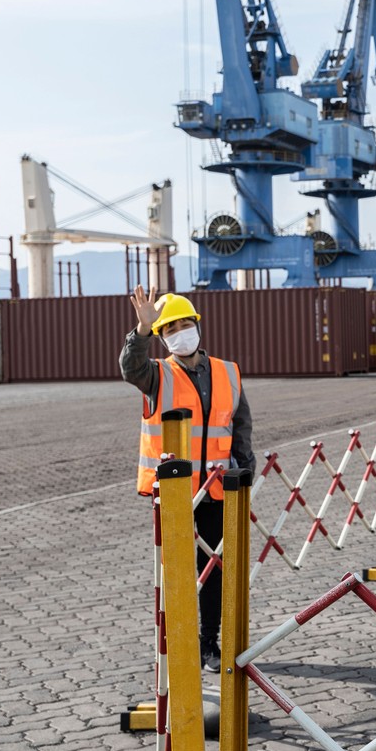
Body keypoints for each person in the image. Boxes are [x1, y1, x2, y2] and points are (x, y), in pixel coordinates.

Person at [123, 286, 253, 673]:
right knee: (179, 572)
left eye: (185, 324)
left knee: (213, 572)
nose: (181, 332)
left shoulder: (227, 372)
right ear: (163, 338)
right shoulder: (155, 374)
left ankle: (208, 644)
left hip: (215, 490)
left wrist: (244, 470)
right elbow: (130, 367)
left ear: (197, 325)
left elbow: (240, 424)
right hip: (175, 492)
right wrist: (141, 331)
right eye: (171, 329)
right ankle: (179, 643)